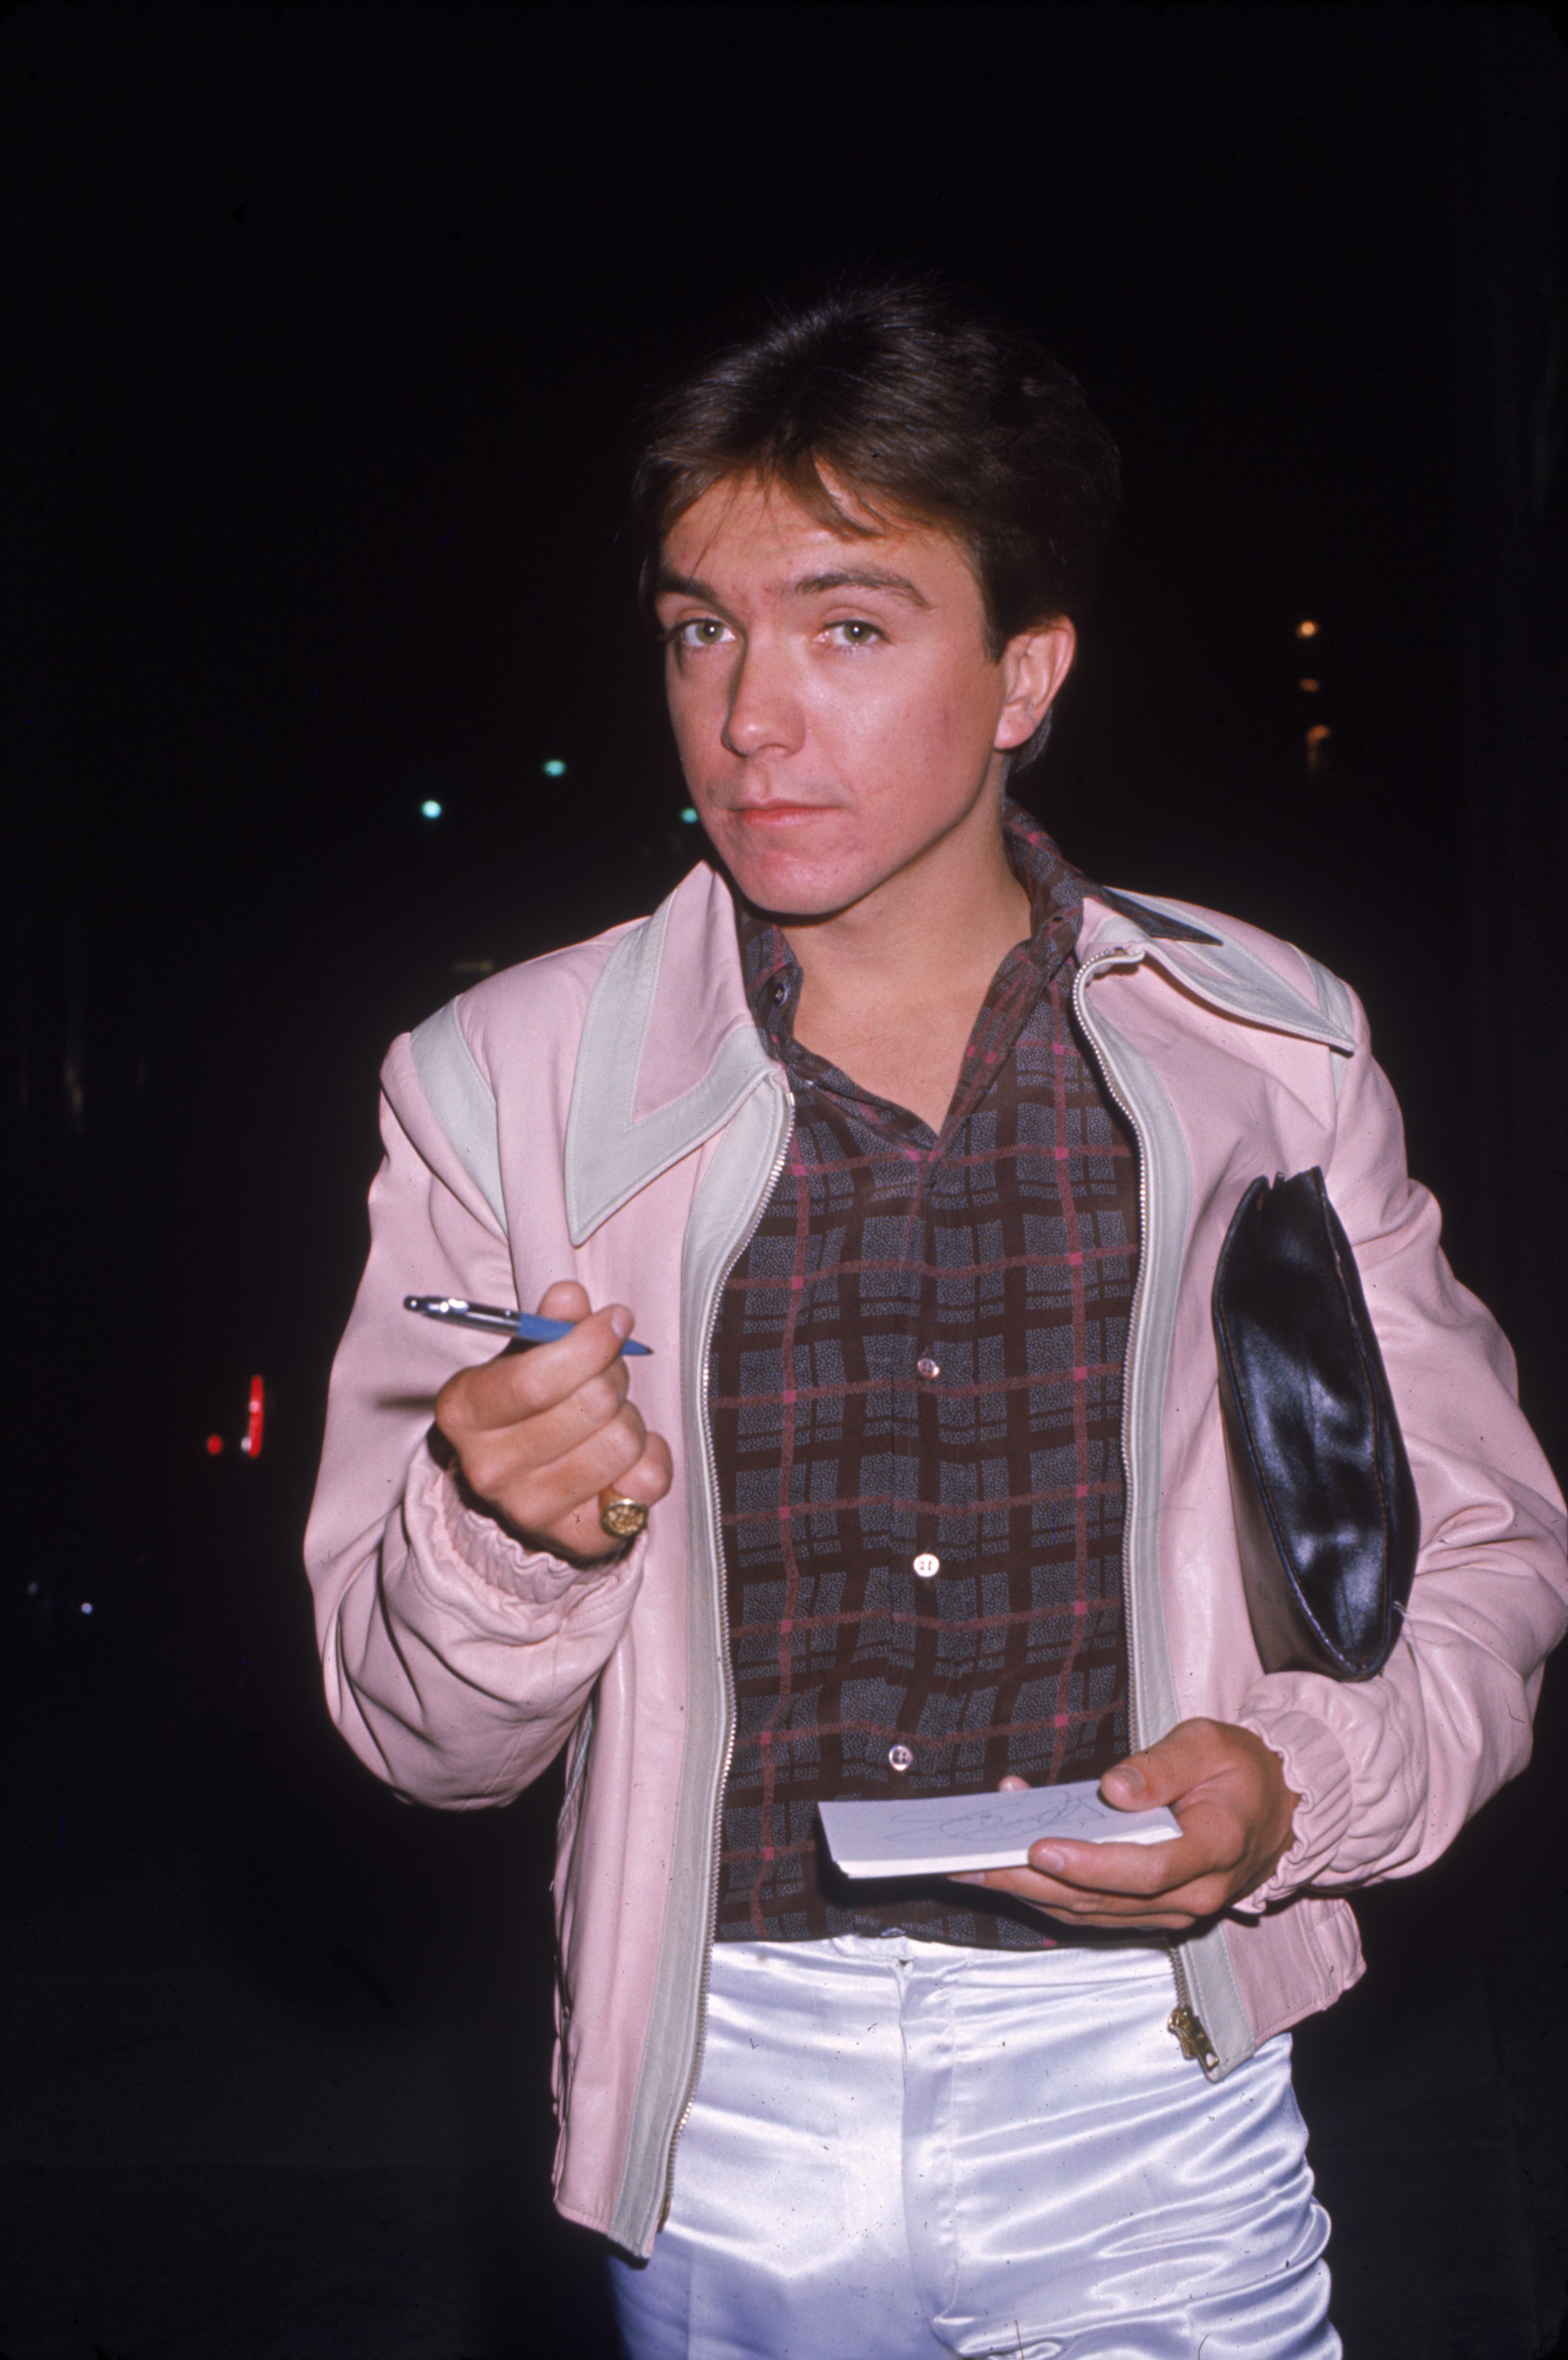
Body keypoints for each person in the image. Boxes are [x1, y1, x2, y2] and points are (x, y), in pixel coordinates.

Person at [305, 283, 1567, 2360]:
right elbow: (412, 1737)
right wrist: (502, 1539)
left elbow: (1489, 1558)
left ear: (1025, 674)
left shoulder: (1266, 1051)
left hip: (1154, 2074)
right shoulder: (496, 1082)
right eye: (702, 626)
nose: (752, 717)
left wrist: (1295, 1780)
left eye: (851, 626)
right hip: (718, 2093)